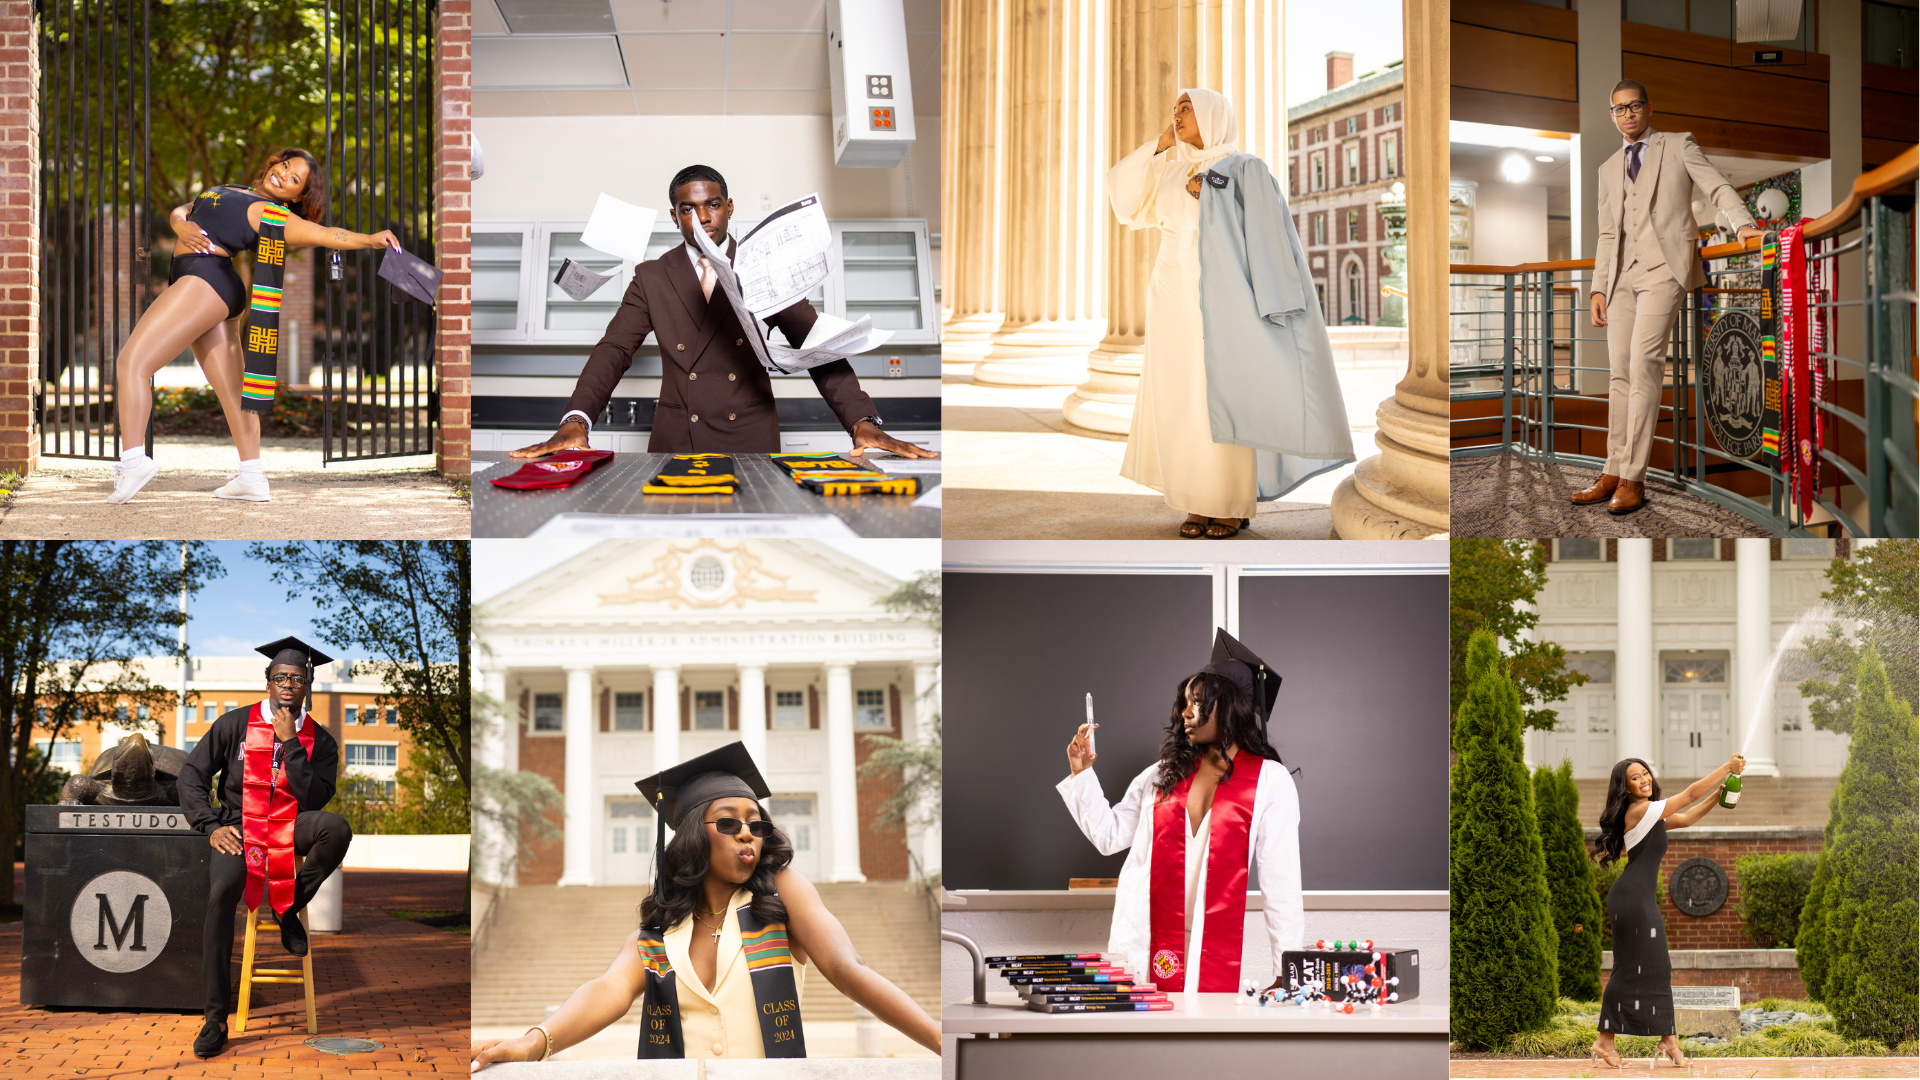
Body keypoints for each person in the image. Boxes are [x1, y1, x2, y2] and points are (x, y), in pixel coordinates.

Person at [468, 742, 940, 1067]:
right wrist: (533, 1043)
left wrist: (946, 1042)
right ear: (696, 834)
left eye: (757, 824)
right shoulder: (658, 932)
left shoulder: (781, 896)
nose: (748, 834)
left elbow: (848, 968)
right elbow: (608, 991)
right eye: (729, 824)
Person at [508, 165, 935, 462]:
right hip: (678, 439)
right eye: (688, 210)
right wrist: (576, 420)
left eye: (711, 205)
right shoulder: (652, 277)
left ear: (729, 207)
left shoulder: (764, 267)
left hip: (749, 437)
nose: (702, 218)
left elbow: (818, 347)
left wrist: (862, 420)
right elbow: (614, 349)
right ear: (675, 216)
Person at [109, 148, 402, 504]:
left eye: (294, 180)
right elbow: (184, 209)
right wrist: (179, 224)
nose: (283, 175)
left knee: (132, 364)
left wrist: (370, 239)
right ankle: (251, 478)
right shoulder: (232, 189)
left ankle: (133, 460)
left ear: (297, 197)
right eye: (285, 166)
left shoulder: (271, 214)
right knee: (234, 393)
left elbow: (327, 234)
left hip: (205, 282)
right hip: (210, 285)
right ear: (274, 163)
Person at [1057, 628, 1303, 993]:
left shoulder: (1270, 781)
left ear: (1233, 706)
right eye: (1186, 701)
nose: (1186, 711)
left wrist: (1288, 970)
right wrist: (1081, 772)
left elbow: (1281, 882)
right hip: (1146, 937)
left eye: (1200, 702)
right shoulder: (1162, 774)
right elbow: (1109, 836)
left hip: (1210, 942)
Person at [1578, 80, 1763, 515]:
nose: (1627, 114)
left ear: (1648, 108)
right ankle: (1611, 468)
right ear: (1612, 115)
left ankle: (1632, 477)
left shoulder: (1678, 145)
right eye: (1619, 109)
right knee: (1618, 375)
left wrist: (1742, 225)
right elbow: (1608, 234)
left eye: (1634, 106)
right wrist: (1598, 286)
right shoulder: (1607, 168)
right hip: (1621, 277)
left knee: (1644, 365)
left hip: (1665, 270)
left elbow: (1715, 187)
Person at [176, 635, 353, 1059]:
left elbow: (314, 798)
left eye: (296, 677)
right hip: (238, 828)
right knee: (220, 898)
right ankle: (215, 1018)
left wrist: (290, 741)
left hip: (291, 822)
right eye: (280, 677)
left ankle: (287, 903)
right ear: (268, 681)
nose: (288, 684)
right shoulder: (234, 724)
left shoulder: (320, 740)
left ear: (308, 682)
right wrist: (210, 825)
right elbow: (191, 776)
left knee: (336, 829)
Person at [1109, 90, 1263, 539]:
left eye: (1186, 108)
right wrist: (1158, 146)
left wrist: (1210, 191)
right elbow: (1126, 202)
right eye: (1174, 109)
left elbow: (1258, 224)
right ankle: (1195, 500)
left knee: (1220, 393)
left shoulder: (1243, 165)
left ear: (1213, 116)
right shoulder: (1171, 170)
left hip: (1224, 290)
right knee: (1179, 395)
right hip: (1170, 288)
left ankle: (1230, 503)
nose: (1177, 116)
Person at [1587, 752, 1746, 1068]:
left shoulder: (1650, 815)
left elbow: (1687, 817)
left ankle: (1667, 1038)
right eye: (1635, 777)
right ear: (1625, 788)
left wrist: (1721, 792)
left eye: (1645, 773)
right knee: (1629, 967)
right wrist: (1726, 768)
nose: (1644, 780)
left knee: (1657, 967)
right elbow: (1688, 796)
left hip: (1637, 897)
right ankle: (1605, 1041)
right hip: (1633, 898)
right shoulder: (1640, 810)